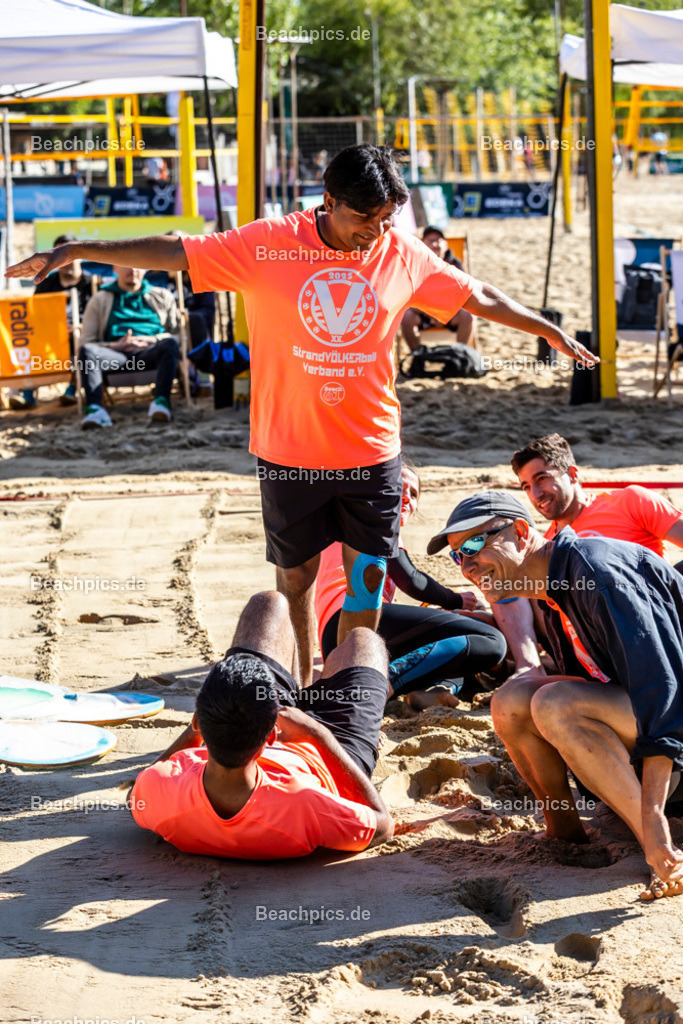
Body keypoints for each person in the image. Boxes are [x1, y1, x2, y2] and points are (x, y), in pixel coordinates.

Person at [5, 143, 595, 687]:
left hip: (373, 454)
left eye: (387, 219)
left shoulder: (399, 251)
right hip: (289, 454)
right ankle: (307, 681)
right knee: (295, 582)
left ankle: (347, 691)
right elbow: (175, 251)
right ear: (329, 201)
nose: (376, 232)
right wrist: (77, 249)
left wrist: (544, 328)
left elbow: (477, 295)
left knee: (366, 589)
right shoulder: (268, 243)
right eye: (366, 219)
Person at [427, 490, 683, 901]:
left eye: (475, 544)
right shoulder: (550, 590)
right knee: (511, 700)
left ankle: (657, 845)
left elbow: (664, 691)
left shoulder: (595, 572)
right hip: (652, 733)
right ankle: (565, 832)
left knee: (555, 702)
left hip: (672, 736)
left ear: (523, 531)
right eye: (458, 556)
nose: (468, 564)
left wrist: (653, 815)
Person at [129, 591, 394, 859]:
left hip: (251, 721)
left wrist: (207, 718)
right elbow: (383, 826)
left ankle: (293, 692)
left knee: (270, 603)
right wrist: (318, 734)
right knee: (364, 639)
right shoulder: (304, 801)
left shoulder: (162, 787)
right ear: (271, 737)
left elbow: (134, 797)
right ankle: (300, 698)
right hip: (331, 750)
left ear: (197, 722)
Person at [315, 461, 507, 709]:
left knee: (453, 650)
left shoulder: (355, 520)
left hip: (341, 640)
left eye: (414, 494)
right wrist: (456, 599)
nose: (407, 497)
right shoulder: (376, 516)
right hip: (353, 619)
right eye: (400, 487)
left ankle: (437, 691)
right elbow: (411, 580)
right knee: (491, 639)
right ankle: (383, 683)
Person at [495, 433, 683, 676]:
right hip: (598, 656)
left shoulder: (629, 502)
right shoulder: (548, 545)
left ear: (573, 474)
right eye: (527, 486)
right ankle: (529, 666)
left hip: (650, 633)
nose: (536, 494)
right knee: (506, 576)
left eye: (542, 479)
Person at [77, 265, 180, 429]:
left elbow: (176, 334)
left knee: (170, 344)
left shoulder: (162, 296)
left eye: (138, 265)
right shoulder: (99, 299)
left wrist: (151, 340)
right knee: (87, 352)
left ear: (146, 269)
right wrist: (114, 345)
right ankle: (95, 410)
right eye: (126, 265)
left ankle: (161, 403)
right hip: (115, 355)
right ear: (115, 268)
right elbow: (86, 342)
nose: (133, 270)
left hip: (150, 351)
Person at [7, 232, 92, 410]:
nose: (67, 263)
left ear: (80, 258)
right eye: (62, 258)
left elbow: (98, 314)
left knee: (85, 345)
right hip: (51, 335)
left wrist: (79, 326)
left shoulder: (90, 283)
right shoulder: (47, 283)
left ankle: (72, 389)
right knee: (25, 339)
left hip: (82, 331)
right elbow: (36, 313)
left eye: (71, 257)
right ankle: (26, 392)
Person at [401, 226, 477, 350]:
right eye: (430, 241)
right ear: (422, 244)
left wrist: (443, 311)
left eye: (438, 240)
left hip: (450, 312)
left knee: (467, 315)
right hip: (423, 313)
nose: (435, 244)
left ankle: (460, 355)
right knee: (407, 316)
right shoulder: (415, 265)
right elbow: (409, 296)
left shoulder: (455, 264)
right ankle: (417, 357)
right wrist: (432, 312)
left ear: (446, 245)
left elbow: (463, 294)